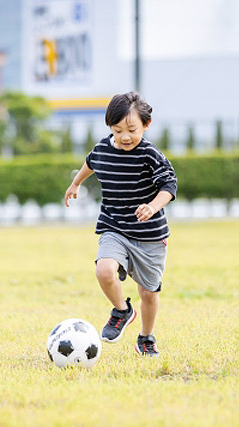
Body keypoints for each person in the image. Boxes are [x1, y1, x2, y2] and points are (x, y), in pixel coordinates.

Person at [64, 91, 177, 357]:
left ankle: (146, 337)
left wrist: (152, 206)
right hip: (114, 227)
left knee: (148, 293)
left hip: (149, 235)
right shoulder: (104, 148)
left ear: (146, 125)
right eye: (117, 130)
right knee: (104, 271)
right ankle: (122, 311)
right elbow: (91, 162)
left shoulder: (150, 154)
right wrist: (76, 182)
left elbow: (169, 186)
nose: (125, 136)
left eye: (131, 129)